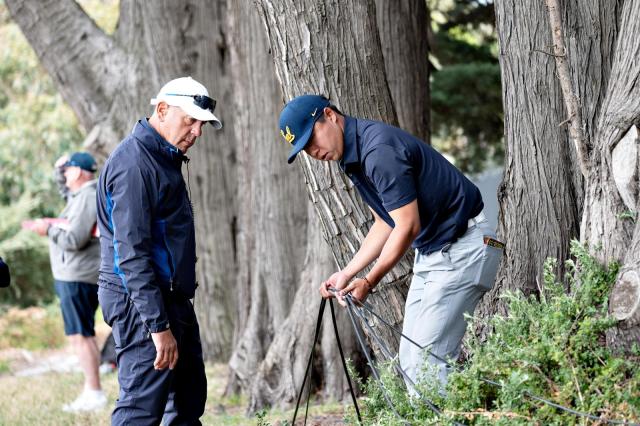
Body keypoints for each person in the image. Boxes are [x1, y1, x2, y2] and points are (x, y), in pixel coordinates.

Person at [278, 95, 504, 390]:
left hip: (463, 248)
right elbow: (385, 222)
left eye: (311, 139)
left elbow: (408, 226)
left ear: (330, 116)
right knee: (411, 360)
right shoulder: (353, 157)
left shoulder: (378, 151)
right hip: (435, 252)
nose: (313, 151)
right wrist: (346, 274)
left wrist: (369, 282)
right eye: (304, 148)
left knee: (428, 363)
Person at [96, 76, 222, 425]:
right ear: (162, 110)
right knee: (141, 409)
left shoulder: (165, 156)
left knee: (187, 400)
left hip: (171, 298)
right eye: (190, 120)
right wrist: (157, 326)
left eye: (202, 124)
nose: (197, 132)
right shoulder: (134, 165)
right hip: (140, 303)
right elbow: (131, 255)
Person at [29, 152, 106, 412]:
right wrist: (57, 165)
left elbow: (75, 239)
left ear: (80, 172)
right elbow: (63, 189)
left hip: (79, 276)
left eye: (67, 170)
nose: (63, 175)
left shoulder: (87, 195)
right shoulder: (78, 195)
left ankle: (93, 392)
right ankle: (92, 389)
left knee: (81, 336)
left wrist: (47, 230)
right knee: (81, 334)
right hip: (73, 275)